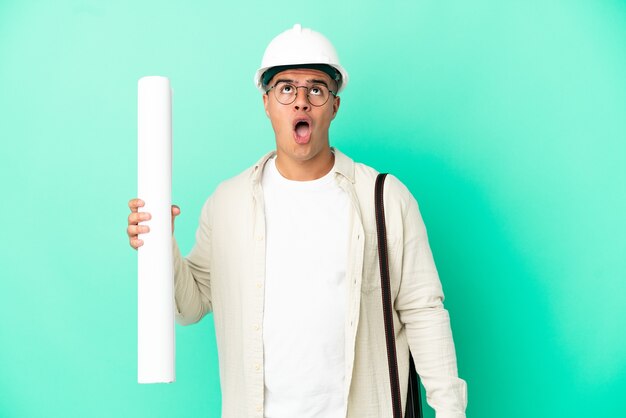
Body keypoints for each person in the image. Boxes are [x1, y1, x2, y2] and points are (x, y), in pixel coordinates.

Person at [127, 24, 467, 418]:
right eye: (286, 88)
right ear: (267, 102)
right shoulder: (227, 203)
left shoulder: (385, 198)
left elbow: (424, 310)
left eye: (316, 89)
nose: (301, 101)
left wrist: (451, 412)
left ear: (334, 105)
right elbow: (190, 306)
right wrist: (158, 246)